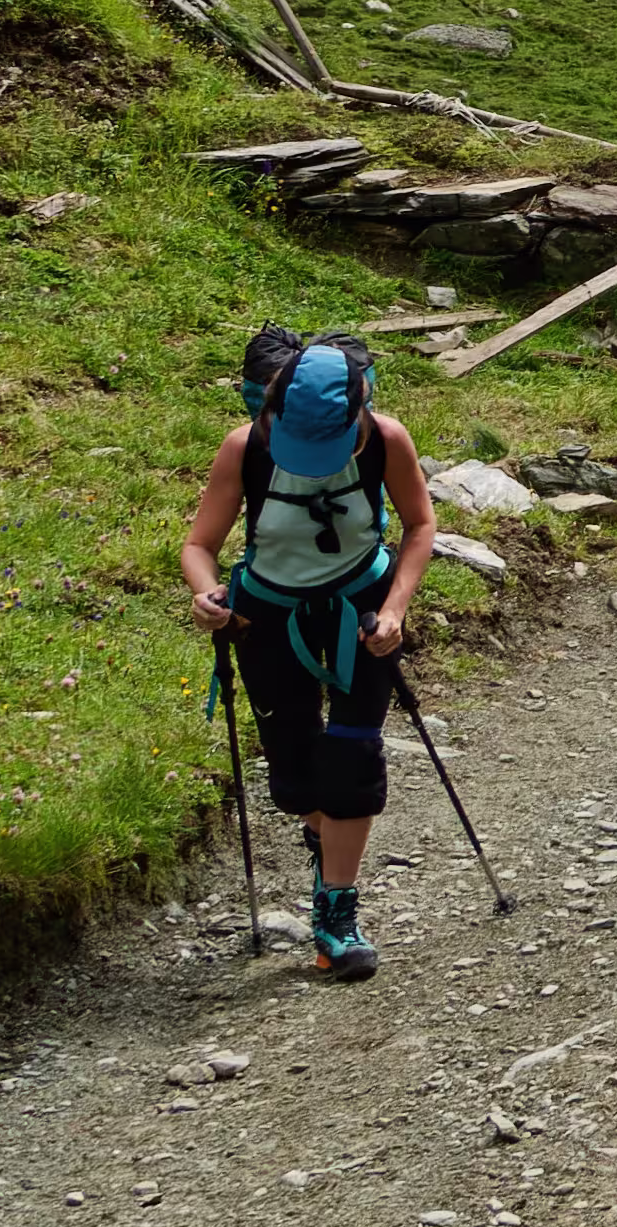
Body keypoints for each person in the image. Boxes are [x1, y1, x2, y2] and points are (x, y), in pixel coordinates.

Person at [184, 327, 440, 981]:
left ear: (361, 409)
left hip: (361, 608)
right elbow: (199, 546)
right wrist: (206, 593)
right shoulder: (247, 448)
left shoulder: (388, 439)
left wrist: (396, 607)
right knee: (296, 772)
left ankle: (336, 912)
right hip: (267, 614)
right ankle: (322, 832)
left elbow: (419, 525)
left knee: (353, 755)